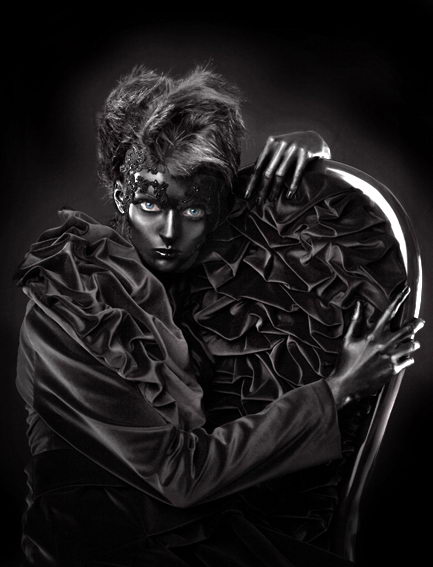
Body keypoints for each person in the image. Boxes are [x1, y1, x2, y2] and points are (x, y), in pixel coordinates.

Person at [15, 66, 423, 566]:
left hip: (192, 531)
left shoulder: (181, 278)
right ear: (121, 197)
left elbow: (239, 203)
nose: (169, 232)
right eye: (150, 204)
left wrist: (311, 157)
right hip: (101, 546)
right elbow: (181, 475)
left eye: (192, 212)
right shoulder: (72, 306)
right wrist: (335, 392)